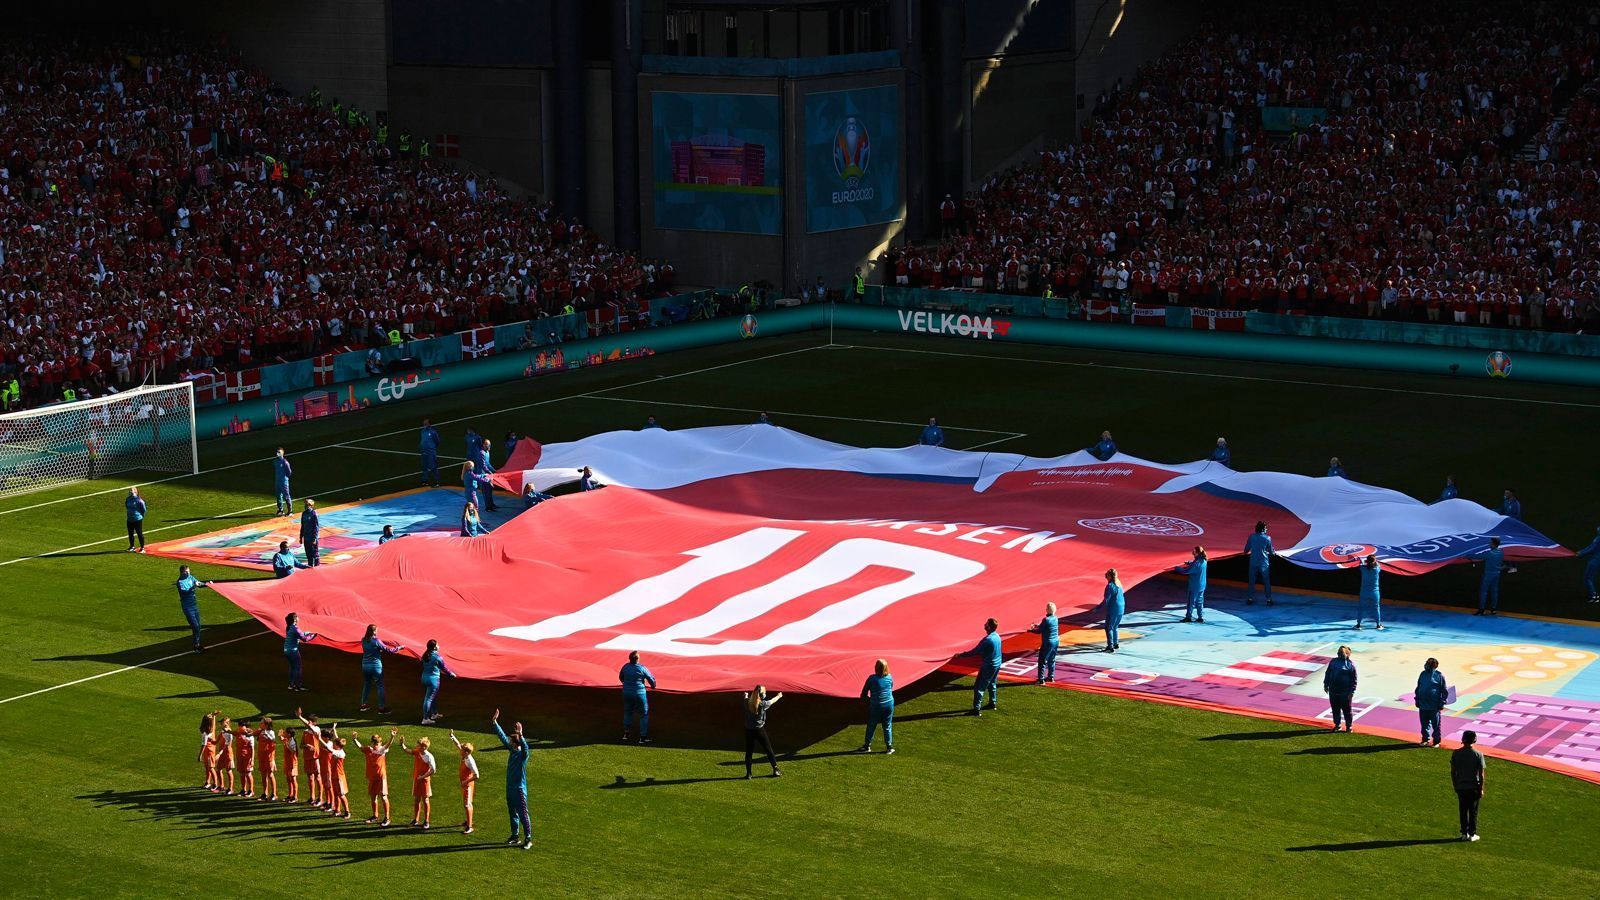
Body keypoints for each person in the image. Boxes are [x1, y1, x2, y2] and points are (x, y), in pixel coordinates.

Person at [491, 708, 534, 848]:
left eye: (511, 741)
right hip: (510, 788)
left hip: (519, 790)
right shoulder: (512, 751)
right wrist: (495, 722)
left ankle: (528, 838)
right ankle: (515, 835)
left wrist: (521, 735)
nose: (508, 742)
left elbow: (526, 748)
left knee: (523, 813)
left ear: (516, 744)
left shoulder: (522, 756)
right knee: (512, 812)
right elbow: (503, 737)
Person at [958, 618, 1003, 713]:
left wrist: (962, 655)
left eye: (986, 624)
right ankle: (992, 702)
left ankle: (976, 709)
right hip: (997, 664)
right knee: (992, 683)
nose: (984, 624)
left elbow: (975, 651)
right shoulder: (997, 636)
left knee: (979, 687)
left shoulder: (988, 640)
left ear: (989, 627)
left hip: (988, 666)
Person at [359, 624, 404, 713]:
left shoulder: (363, 640)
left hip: (365, 665)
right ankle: (381, 708)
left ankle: (363, 705)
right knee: (380, 686)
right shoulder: (376, 641)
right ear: (374, 631)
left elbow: (371, 649)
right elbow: (389, 650)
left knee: (367, 684)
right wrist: (399, 647)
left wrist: (378, 650)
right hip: (375, 666)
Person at [1451, 730, 1486, 842]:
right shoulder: (1478, 754)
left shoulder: (1456, 753)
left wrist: (1455, 784)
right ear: (1474, 740)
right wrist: (1481, 788)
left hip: (1461, 787)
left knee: (1463, 810)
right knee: (1473, 811)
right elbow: (1481, 774)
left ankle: (1464, 833)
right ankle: (1472, 834)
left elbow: (1453, 772)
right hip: (1473, 788)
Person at [742, 686, 783, 778]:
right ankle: (775, 769)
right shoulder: (763, 704)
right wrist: (779, 696)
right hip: (759, 730)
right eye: (764, 692)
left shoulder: (747, 702)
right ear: (761, 695)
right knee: (769, 750)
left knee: (749, 752)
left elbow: (746, 699)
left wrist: (745, 695)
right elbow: (772, 701)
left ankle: (749, 774)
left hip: (749, 731)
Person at [619, 651, 657, 744]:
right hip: (639, 693)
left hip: (627, 692)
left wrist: (626, 684)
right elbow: (650, 679)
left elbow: (621, 677)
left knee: (628, 712)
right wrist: (653, 686)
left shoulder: (625, 667)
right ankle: (642, 737)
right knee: (644, 714)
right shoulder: (642, 668)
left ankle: (626, 734)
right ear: (637, 659)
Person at [361, 730, 397, 826]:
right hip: (373, 777)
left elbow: (388, 745)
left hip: (381, 777)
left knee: (384, 797)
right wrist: (355, 739)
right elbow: (361, 748)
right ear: (372, 743)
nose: (377, 745)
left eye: (378, 743)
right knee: (373, 797)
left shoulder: (382, 750)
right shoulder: (369, 749)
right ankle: (375, 816)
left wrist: (392, 737)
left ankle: (387, 818)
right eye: (375, 743)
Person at [858, 659, 895, 753]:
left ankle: (867, 746)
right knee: (887, 725)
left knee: (871, 724)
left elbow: (864, 693)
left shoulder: (872, 679)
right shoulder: (890, 677)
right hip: (889, 704)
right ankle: (889, 747)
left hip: (876, 705)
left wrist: (867, 701)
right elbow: (891, 687)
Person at [400, 734, 435, 829]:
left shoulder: (429, 757)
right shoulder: (417, 752)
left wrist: (422, 777)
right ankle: (416, 820)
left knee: (425, 800)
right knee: (416, 800)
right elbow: (407, 750)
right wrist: (402, 744)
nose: (417, 747)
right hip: (417, 780)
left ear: (424, 747)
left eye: (419, 745)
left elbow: (433, 770)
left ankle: (426, 821)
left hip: (424, 782)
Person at [449, 730, 480, 834]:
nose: (460, 750)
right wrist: (452, 736)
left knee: (467, 805)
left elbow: (477, 775)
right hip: (465, 784)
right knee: (467, 803)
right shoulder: (464, 756)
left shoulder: (470, 761)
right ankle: (468, 821)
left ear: (466, 752)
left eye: (462, 750)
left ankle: (469, 826)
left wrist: (466, 781)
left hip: (467, 785)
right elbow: (458, 745)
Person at [175, 565, 211, 653]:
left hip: (194, 605)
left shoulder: (190, 577)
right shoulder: (179, 582)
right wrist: (193, 587)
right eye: (187, 572)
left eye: (189, 571)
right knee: (195, 626)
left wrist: (207, 584)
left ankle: (197, 644)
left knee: (198, 626)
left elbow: (198, 583)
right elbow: (185, 593)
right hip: (187, 607)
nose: (189, 573)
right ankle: (196, 646)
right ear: (183, 572)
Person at [420, 639, 456, 725]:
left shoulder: (425, 655)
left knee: (431, 697)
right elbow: (444, 668)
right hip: (433, 680)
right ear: (435, 647)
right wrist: (451, 674)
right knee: (428, 699)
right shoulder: (437, 657)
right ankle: (425, 719)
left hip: (424, 678)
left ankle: (434, 713)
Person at [1323, 646, 1358, 732]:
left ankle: (1349, 726)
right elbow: (1328, 673)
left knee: (1347, 710)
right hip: (1333, 690)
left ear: (1347, 654)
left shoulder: (1350, 665)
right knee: (1335, 709)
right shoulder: (1333, 661)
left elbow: (1354, 679)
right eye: (1339, 653)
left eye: (1342, 653)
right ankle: (1337, 725)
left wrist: (1352, 691)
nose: (1339, 655)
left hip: (1345, 692)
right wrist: (1325, 684)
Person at [1416, 657, 1449, 747]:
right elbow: (1418, 687)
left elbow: (1444, 691)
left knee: (1436, 725)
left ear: (1434, 666)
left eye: (1428, 663)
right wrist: (1417, 699)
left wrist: (1442, 703)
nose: (1426, 665)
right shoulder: (1422, 674)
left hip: (1434, 706)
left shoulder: (1439, 676)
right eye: (1426, 662)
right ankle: (1425, 739)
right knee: (1424, 724)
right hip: (1423, 704)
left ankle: (1436, 741)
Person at [1474, 537, 1509, 616]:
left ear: (1493, 544)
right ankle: (1493, 610)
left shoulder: (1489, 553)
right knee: (1494, 591)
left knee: (1484, 591)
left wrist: (1465, 555)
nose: (1489, 544)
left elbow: (1478, 557)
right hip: (1497, 574)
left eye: (1490, 543)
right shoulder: (1501, 553)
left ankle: (1481, 610)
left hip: (1488, 574)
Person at [1349, 553, 1385, 630]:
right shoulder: (1377, 569)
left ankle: (1358, 625)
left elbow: (1361, 563)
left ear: (1367, 561)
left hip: (1364, 593)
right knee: (1376, 608)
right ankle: (1378, 625)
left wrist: (1363, 560)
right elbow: (1376, 563)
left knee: (1361, 608)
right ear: (1375, 561)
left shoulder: (1362, 568)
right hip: (1375, 593)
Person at [283, 612, 317, 691]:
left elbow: (299, 635)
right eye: (297, 617)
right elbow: (304, 639)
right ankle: (299, 686)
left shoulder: (290, 627)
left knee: (292, 667)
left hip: (286, 650)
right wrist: (313, 636)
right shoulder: (295, 628)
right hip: (293, 651)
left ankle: (291, 685)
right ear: (295, 619)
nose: (298, 618)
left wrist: (307, 633)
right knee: (298, 668)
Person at [1027, 604, 1060, 683]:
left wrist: (1030, 630)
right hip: (1055, 641)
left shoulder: (1046, 619)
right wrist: (1037, 626)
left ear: (1047, 610)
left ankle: (1041, 679)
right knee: (1051, 659)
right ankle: (1051, 677)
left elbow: (1039, 631)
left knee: (1042, 660)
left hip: (1047, 643)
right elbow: (1045, 627)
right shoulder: (1055, 618)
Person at [1244, 522, 1274, 605]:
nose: (1267, 529)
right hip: (1264, 563)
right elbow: (1272, 552)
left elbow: (1246, 550)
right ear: (1263, 529)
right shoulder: (1268, 538)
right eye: (1266, 528)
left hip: (1253, 562)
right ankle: (1269, 600)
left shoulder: (1252, 537)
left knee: (1251, 581)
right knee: (1266, 581)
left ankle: (1250, 598)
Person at [1176, 547, 1207, 622]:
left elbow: (1186, 571)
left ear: (1197, 553)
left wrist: (1177, 568)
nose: (1192, 552)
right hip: (1202, 585)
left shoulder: (1196, 563)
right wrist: (1189, 563)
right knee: (1200, 601)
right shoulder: (1204, 560)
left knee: (1191, 601)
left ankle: (1188, 617)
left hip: (1194, 585)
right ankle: (1200, 617)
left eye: (1194, 551)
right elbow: (1195, 564)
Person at [1100, 569, 1126, 652]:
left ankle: (1110, 647)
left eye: (1107, 574)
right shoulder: (1119, 583)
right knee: (1115, 627)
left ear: (1110, 576)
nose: (1105, 575)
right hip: (1121, 608)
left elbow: (1106, 599)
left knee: (1108, 628)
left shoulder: (1110, 586)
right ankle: (1116, 643)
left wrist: (1097, 608)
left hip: (1113, 609)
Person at [474, 437, 499, 510]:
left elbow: (488, 464)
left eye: (490, 445)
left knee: (490, 489)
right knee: (486, 491)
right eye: (488, 445)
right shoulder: (481, 453)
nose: (489, 446)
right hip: (482, 475)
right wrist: (490, 472)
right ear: (484, 445)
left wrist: (494, 470)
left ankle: (491, 504)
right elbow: (483, 466)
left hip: (487, 474)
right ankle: (488, 507)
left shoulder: (487, 452)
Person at [199, 711, 219, 792]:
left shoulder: (205, 733)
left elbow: (203, 745)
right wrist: (214, 716)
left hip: (208, 751)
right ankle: (208, 782)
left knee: (210, 768)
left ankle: (215, 784)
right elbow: (213, 724)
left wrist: (199, 755)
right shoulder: (211, 729)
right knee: (208, 767)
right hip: (211, 750)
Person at [1579, 526, 1600, 603]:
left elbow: (1592, 549)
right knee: (1588, 578)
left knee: (1588, 578)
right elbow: (1591, 546)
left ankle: (1594, 596)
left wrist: (1581, 554)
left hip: (1596, 560)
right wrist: (1581, 552)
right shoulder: (1598, 537)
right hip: (1594, 559)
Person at [281, 725, 301, 803]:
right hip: (288, 762)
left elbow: (293, 751)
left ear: (289, 734)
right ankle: (290, 795)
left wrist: (287, 744)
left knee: (293, 779)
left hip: (292, 763)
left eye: (286, 732)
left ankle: (295, 797)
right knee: (288, 779)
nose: (284, 733)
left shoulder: (292, 742)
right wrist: (281, 734)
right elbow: (281, 737)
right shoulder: (288, 739)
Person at [299, 499, 321, 567]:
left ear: (311, 505)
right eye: (305, 505)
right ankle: (310, 565)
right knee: (308, 554)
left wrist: (314, 538)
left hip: (312, 537)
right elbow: (302, 525)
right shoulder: (304, 513)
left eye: (307, 505)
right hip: (306, 537)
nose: (305, 506)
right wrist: (301, 537)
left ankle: (317, 566)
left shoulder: (314, 514)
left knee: (315, 554)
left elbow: (316, 527)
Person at [419, 419, 441, 486]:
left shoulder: (433, 432)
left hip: (431, 452)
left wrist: (432, 448)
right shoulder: (422, 431)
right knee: (424, 466)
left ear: (429, 424)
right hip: (423, 451)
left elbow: (437, 441)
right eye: (424, 424)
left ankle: (437, 481)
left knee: (433, 466)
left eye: (425, 424)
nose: (424, 425)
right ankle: (425, 481)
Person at [125, 486, 147, 552]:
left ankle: (142, 548)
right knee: (130, 533)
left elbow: (143, 509)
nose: (130, 492)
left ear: (136, 492)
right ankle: (132, 546)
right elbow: (126, 506)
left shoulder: (139, 500)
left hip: (137, 519)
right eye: (130, 491)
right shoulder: (128, 499)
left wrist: (141, 516)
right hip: (129, 519)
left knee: (139, 533)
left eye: (132, 490)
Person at [273, 448, 293, 516]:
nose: (277, 453)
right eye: (277, 452)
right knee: (278, 496)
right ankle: (280, 510)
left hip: (284, 482)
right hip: (277, 482)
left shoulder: (285, 462)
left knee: (287, 496)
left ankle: (290, 511)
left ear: (282, 453)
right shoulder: (275, 461)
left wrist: (285, 478)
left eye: (279, 452)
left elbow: (289, 472)